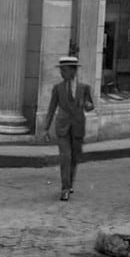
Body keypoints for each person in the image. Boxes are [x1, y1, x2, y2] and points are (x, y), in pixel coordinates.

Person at [41, 56, 94, 201]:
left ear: (73, 71)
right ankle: (65, 188)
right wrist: (45, 128)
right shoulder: (57, 88)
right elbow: (51, 109)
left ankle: (70, 184)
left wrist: (88, 106)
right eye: (61, 70)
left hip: (77, 126)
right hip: (62, 127)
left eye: (64, 70)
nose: (62, 73)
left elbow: (91, 105)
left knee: (74, 158)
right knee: (65, 157)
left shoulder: (84, 88)